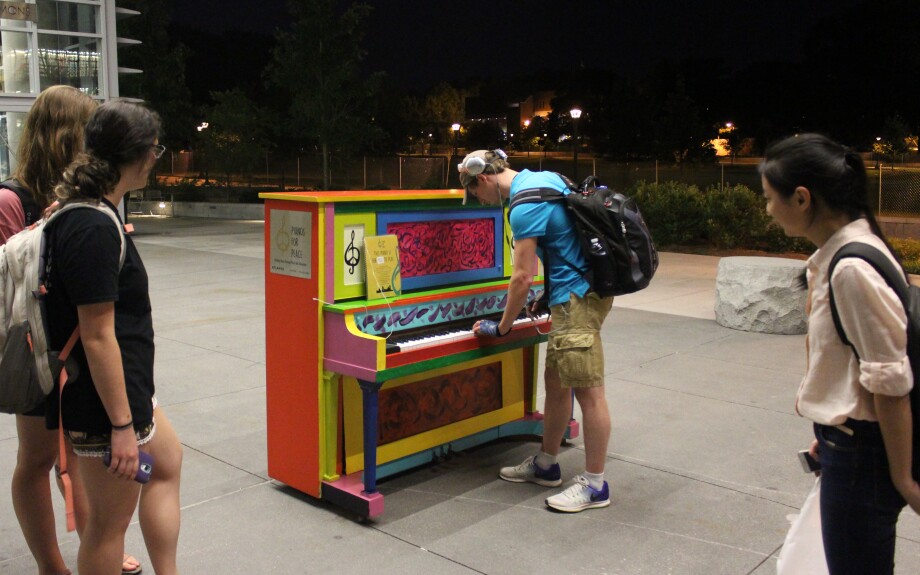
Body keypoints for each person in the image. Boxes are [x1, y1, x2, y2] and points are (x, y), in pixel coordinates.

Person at [761, 133, 920, 574]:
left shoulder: (850, 268)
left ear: (802, 198)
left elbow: (890, 382)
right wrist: (835, 421)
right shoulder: (860, 244)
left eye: (770, 198)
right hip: (850, 443)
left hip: (862, 458)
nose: (768, 210)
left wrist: (903, 477)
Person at [4, 86, 144, 575]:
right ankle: (51, 563)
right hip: (36, 352)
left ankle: (94, 543)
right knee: (37, 459)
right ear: (67, 133)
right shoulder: (12, 198)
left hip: (75, 357)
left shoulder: (83, 196)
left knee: (81, 456)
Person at [46, 100, 183, 575]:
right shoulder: (91, 226)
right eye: (156, 150)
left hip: (125, 393)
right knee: (108, 527)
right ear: (142, 153)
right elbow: (98, 335)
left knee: (166, 462)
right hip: (106, 406)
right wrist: (122, 428)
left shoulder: (90, 214)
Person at [459, 149, 614, 512]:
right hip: (571, 295)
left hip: (576, 300)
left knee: (590, 394)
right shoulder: (545, 179)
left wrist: (502, 326)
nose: (481, 202)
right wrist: (548, 296)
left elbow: (521, 277)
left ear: (482, 178)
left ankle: (595, 486)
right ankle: (546, 464)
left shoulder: (523, 204)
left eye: (477, 194)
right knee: (557, 383)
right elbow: (567, 244)